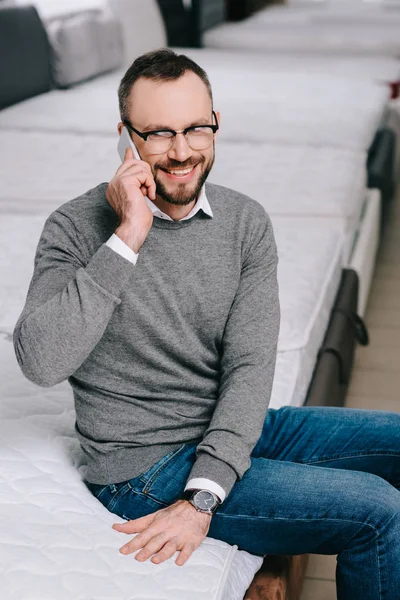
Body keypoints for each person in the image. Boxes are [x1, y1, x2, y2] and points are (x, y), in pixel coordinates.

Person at [13, 48, 400, 600]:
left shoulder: (245, 222)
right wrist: (127, 237)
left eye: (197, 129)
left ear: (215, 124)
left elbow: (250, 366)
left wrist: (208, 490)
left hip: (231, 427)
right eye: (159, 133)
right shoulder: (75, 229)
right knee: (378, 511)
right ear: (125, 137)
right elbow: (41, 361)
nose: (181, 151)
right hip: (144, 471)